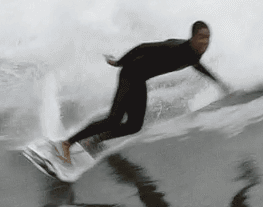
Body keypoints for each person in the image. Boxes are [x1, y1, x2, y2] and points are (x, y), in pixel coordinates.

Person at [54, 21, 226, 164]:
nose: (205, 42)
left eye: (207, 38)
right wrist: (119, 62)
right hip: (129, 74)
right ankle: (67, 143)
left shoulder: (195, 54)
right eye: (201, 37)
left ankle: (93, 140)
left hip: (139, 80)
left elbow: (196, 64)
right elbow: (142, 48)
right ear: (193, 37)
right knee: (113, 119)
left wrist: (218, 82)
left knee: (134, 126)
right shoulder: (177, 47)